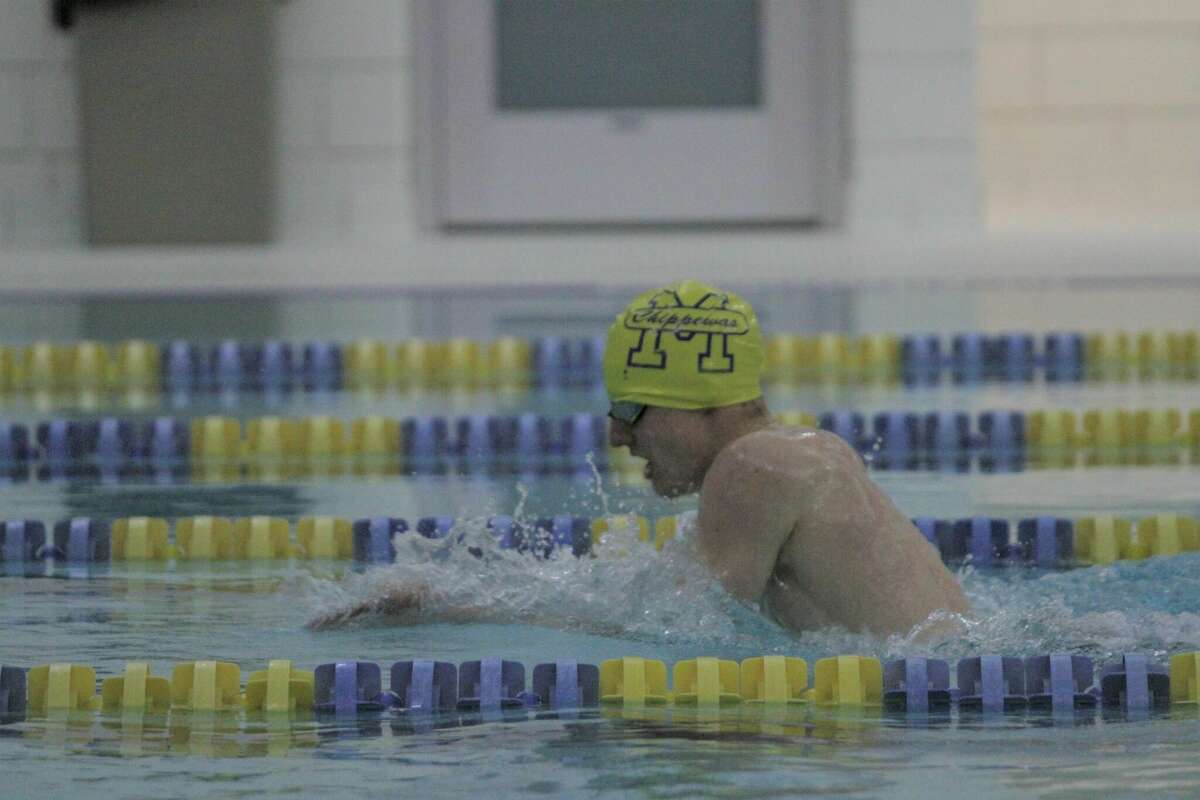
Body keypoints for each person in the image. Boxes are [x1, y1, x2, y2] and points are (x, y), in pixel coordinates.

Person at [309, 281, 968, 636]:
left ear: (698, 407)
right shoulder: (792, 454)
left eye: (630, 412)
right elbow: (642, 602)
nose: (617, 438)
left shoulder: (755, 468)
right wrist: (453, 598)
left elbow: (677, 629)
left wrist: (446, 613)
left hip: (926, 712)